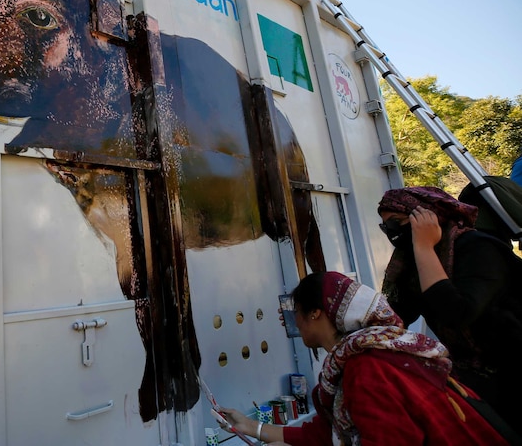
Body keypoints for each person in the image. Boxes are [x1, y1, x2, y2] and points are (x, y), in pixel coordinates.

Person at [217, 271, 510, 445]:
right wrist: (250, 427)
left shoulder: (367, 368)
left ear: (316, 313)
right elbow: (329, 432)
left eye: (296, 312)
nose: (290, 321)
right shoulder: (372, 351)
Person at [378, 186, 522, 433]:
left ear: (429, 218)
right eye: (386, 226)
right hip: (479, 380)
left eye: (397, 222)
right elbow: (396, 316)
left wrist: (424, 248)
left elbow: (457, 313)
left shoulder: (478, 248)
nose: (392, 232)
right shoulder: (412, 264)